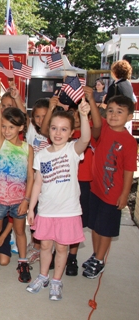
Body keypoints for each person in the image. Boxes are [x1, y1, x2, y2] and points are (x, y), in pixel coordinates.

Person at [26, 101, 90, 301]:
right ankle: (43, 276)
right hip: (46, 210)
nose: (58, 133)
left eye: (64, 129)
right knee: (45, 246)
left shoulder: (72, 150)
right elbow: (38, 183)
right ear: (48, 130)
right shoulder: (42, 155)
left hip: (68, 211)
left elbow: (86, 138)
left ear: (71, 132)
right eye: (54, 128)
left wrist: (84, 115)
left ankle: (56, 280)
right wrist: (31, 208)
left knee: (62, 248)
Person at [0, 77, 33, 283]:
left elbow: (31, 176)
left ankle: (23, 262)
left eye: (12, 127)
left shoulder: (28, 148)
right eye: (5, 126)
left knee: (20, 232)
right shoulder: (0, 143)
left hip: (19, 201)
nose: (6, 130)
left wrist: (27, 200)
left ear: (21, 128)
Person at [82, 95, 137, 279]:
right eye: (111, 110)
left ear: (130, 116)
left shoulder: (130, 142)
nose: (113, 115)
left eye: (120, 112)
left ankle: (99, 259)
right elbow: (97, 121)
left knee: (105, 229)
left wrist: (124, 194)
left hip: (112, 194)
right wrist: (90, 100)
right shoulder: (104, 128)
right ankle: (95, 254)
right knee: (95, 226)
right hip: (96, 189)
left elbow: (129, 170)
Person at [25, 98, 50, 264]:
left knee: (44, 214)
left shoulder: (52, 132)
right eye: (38, 116)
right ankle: (35, 243)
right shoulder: (32, 129)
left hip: (48, 181)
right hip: (35, 179)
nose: (41, 120)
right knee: (35, 213)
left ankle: (41, 247)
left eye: (45, 116)